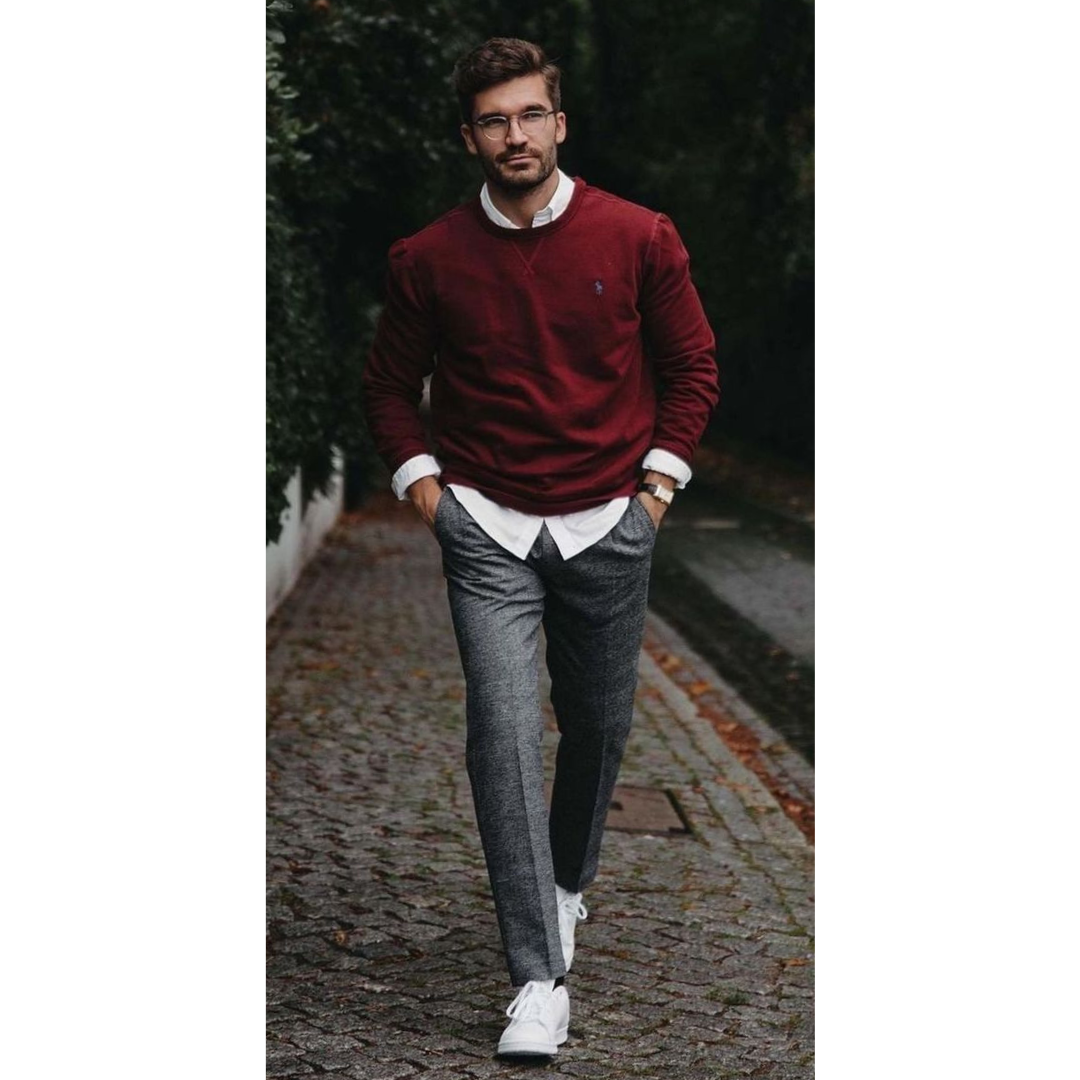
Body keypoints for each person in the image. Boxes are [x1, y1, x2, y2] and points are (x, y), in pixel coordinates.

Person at [362, 36, 719, 1058]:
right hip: (489, 530)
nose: (513, 135)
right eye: (493, 120)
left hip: (611, 523)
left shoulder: (640, 237)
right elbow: (389, 387)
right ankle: (535, 978)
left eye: (529, 115)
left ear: (558, 123)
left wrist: (655, 493)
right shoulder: (429, 258)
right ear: (468, 137)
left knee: (598, 727)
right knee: (504, 731)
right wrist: (430, 494)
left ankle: (564, 882)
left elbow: (692, 366)